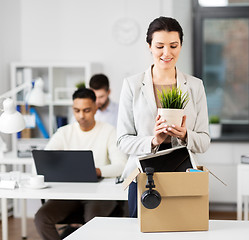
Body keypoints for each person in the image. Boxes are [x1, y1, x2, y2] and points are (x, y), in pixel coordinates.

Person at [117, 16, 211, 218]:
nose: (167, 53)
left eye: (173, 45)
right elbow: (122, 141)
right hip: (143, 173)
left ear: (181, 46)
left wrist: (186, 135)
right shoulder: (132, 85)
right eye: (159, 46)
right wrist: (153, 141)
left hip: (183, 172)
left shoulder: (195, 86)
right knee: (141, 231)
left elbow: (204, 141)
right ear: (149, 46)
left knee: (183, 230)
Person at [34, 88, 127, 240]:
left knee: (92, 223)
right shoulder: (64, 132)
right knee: (41, 218)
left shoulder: (109, 131)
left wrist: (96, 171)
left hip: (100, 194)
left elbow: (121, 165)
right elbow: (44, 159)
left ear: (96, 108)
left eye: (86, 110)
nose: (81, 116)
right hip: (68, 193)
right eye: (77, 110)